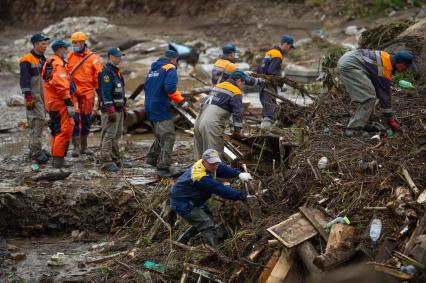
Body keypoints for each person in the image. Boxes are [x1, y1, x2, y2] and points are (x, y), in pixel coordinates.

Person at [170, 148, 252, 246]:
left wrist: (239, 173)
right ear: (204, 161)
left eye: (216, 163)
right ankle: (214, 251)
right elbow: (220, 189)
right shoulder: (200, 177)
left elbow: (223, 169)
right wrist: (243, 196)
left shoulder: (209, 165)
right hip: (183, 202)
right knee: (206, 224)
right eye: (212, 163)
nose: (215, 166)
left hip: (193, 199)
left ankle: (180, 242)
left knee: (205, 219)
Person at [337, 49, 416, 139]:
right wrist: (390, 119)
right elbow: (384, 95)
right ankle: (353, 130)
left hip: (350, 58)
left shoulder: (387, 57)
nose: (406, 70)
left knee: (371, 94)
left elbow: (382, 89)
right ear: (401, 64)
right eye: (407, 67)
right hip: (350, 65)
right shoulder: (384, 69)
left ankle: (367, 123)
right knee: (368, 98)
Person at [194, 70, 258, 160]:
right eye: (243, 82)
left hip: (198, 122)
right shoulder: (235, 91)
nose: (243, 85)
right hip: (211, 124)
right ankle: (213, 174)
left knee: (200, 156)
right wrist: (237, 130)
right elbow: (238, 113)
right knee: (213, 156)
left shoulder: (218, 86)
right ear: (239, 80)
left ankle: (198, 173)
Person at [144, 50, 189, 177]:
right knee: (168, 136)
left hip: (149, 105)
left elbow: (147, 87)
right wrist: (181, 101)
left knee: (160, 134)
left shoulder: (154, 69)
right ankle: (163, 167)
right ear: (174, 59)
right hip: (160, 107)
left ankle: (152, 158)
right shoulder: (170, 68)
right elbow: (170, 88)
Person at [67, 31, 103, 157]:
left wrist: (101, 96)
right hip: (74, 93)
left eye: (76, 42)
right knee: (75, 119)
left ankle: (84, 146)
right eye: (73, 42)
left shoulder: (93, 58)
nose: (74, 45)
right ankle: (76, 147)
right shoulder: (70, 56)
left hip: (88, 93)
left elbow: (98, 78)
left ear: (83, 42)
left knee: (86, 120)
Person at [41, 40, 74, 168]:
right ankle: (58, 160)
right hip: (59, 102)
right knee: (63, 130)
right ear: (59, 49)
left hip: (51, 102)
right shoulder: (58, 64)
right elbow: (60, 84)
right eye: (65, 48)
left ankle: (57, 157)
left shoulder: (49, 62)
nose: (66, 50)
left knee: (56, 130)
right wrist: (68, 100)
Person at [19, 33, 50, 164]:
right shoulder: (27, 60)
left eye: (46, 44)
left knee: (39, 121)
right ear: (36, 44)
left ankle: (35, 148)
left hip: (43, 96)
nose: (45, 46)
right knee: (38, 120)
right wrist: (28, 97)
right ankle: (36, 150)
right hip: (33, 97)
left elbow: (46, 79)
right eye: (43, 44)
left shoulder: (43, 59)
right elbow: (24, 80)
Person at [98, 47, 130, 172]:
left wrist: (123, 107)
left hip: (119, 109)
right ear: (110, 56)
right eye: (117, 56)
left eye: (120, 56)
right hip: (111, 110)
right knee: (109, 134)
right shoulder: (106, 72)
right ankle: (105, 160)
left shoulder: (117, 72)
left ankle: (116, 158)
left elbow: (120, 92)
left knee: (116, 135)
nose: (119, 58)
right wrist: (110, 109)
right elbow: (105, 92)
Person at [256, 35, 295, 129]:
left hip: (261, 84)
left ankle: (266, 128)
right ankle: (266, 132)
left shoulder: (270, 52)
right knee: (270, 111)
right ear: (285, 44)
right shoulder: (277, 55)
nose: (289, 49)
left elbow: (259, 69)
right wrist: (282, 84)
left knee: (267, 107)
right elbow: (273, 73)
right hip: (269, 85)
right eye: (290, 47)